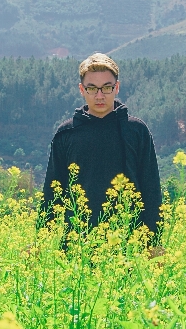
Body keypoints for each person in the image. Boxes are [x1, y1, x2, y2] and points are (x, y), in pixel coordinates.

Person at [42, 53, 162, 239]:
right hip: (78, 243)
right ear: (82, 90)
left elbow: (151, 188)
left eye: (106, 87)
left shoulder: (136, 131)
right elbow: (52, 191)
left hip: (129, 243)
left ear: (117, 88)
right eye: (92, 88)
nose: (99, 95)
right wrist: (41, 240)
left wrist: (155, 242)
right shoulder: (67, 133)